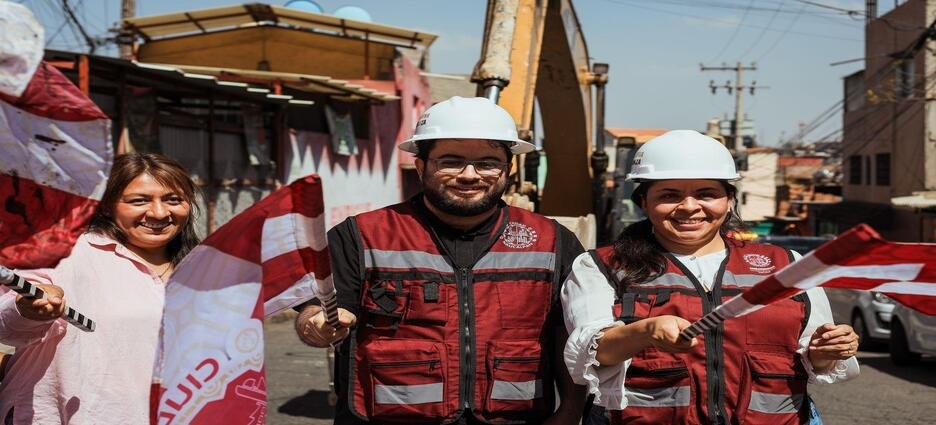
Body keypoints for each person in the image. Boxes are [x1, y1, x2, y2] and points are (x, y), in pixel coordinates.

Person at [295, 96, 587, 424]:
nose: (470, 175)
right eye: (451, 161)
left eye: (488, 163)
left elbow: (573, 332)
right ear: (421, 166)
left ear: (509, 169)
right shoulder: (361, 236)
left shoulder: (552, 241)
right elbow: (313, 312)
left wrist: (572, 409)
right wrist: (317, 326)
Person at [562, 130, 860, 425]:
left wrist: (826, 352)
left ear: (730, 199)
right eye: (669, 195)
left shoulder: (787, 266)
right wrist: (646, 331)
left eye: (706, 194)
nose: (690, 207)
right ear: (644, 202)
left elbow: (815, 360)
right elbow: (592, 352)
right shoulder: (601, 266)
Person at [0, 153, 199, 424]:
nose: (159, 213)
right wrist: (29, 310)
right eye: (139, 200)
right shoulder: (63, 254)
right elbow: (8, 328)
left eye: (173, 200)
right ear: (106, 206)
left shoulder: (204, 267)